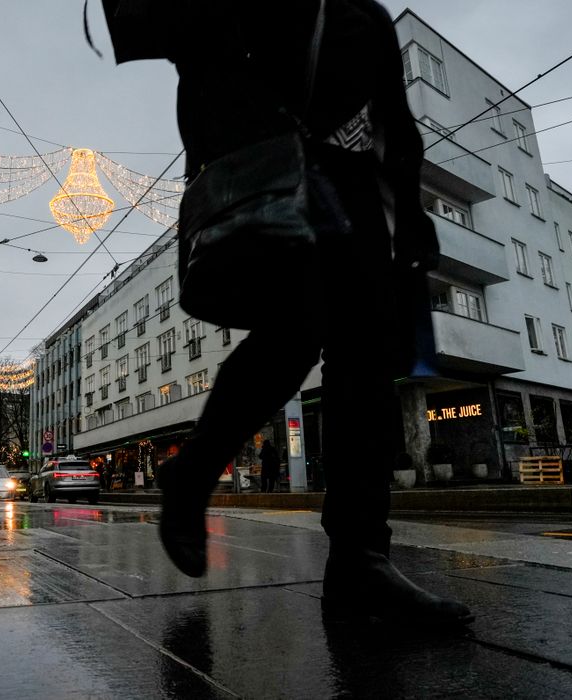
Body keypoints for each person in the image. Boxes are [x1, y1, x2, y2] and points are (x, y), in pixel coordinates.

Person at [109, 0, 472, 627]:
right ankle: (204, 479)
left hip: (349, 193)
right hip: (268, 179)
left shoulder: (367, 17)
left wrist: (410, 215)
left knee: (361, 357)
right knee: (297, 334)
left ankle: (358, 557)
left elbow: (395, 120)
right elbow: (192, 65)